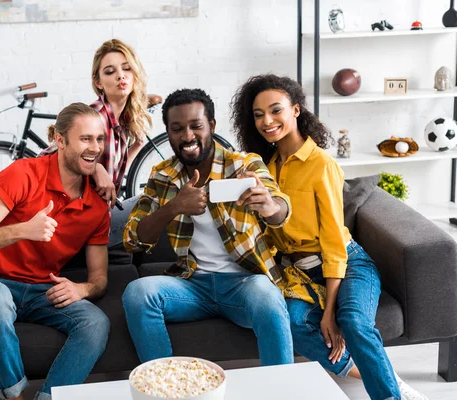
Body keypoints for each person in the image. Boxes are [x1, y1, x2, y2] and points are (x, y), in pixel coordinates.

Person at [230, 74, 428, 400]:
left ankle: (389, 395)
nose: (266, 121)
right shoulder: (265, 167)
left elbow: (334, 241)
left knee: (351, 321)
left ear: (295, 110)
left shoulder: (320, 164)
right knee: (289, 322)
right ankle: (380, 375)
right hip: (298, 273)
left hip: (347, 263)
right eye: (258, 114)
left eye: (275, 110)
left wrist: (329, 312)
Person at [121, 88, 295, 366]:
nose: (187, 136)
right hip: (193, 287)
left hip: (244, 284)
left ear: (211, 126)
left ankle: (280, 390)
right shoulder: (163, 175)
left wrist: (271, 206)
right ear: (168, 132)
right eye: (177, 129)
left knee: (266, 294)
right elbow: (133, 240)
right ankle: (168, 390)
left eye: (196, 126)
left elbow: (280, 207)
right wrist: (174, 206)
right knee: (138, 293)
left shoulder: (243, 165)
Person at [0, 103, 111, 400]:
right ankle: (15, 397)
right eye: (85, 139)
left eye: (99, 139)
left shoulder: (98, 206)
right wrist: (22, 230)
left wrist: (83, 289)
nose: (95, 147)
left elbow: (100, 277)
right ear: (61, 140)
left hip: (42, 290)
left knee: (96, 322)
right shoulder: (23, 174)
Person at [41, 38, 153, 206]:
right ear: (98, 82)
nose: (120, 75)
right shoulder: (94, 117)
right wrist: (95, 168)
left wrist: (137, 145)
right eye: (110, 71)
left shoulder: (120, 120)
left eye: (126, 68)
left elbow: (112, 178)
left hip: (100, 211)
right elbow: (46, 157)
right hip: (76, 214)